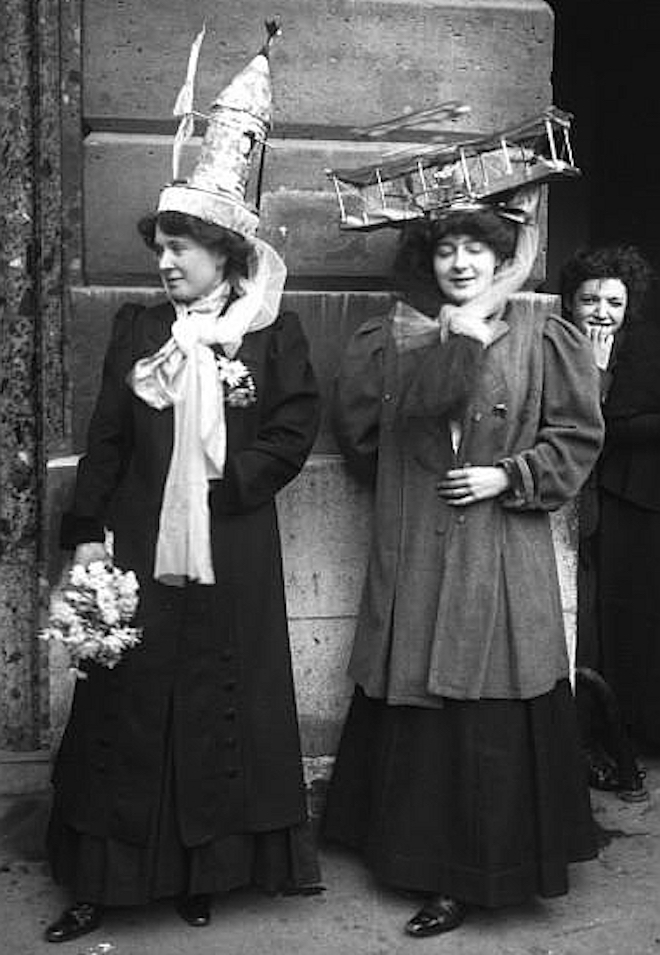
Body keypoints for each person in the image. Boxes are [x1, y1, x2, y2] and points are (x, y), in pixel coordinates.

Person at [44, 25, 321, 944]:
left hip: (230, 542)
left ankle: (208, 868)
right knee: (126, 700)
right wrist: (88, 536)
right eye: (161, 246)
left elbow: (292, 430)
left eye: (182, 249)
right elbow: (109, 438)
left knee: (217, 701)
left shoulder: (270, 335)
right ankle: (105, 879)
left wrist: (221, 483)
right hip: (137, 542)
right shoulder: (136, 330)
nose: (166, 262)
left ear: (227, 256)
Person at [322, 189, 604, 936]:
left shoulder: (543, 331)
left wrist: (507, 475)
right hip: (417, 547)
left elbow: (577, 436)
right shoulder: (391, 336)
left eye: (476, 247)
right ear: (427, 258)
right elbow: (358, 438)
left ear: (502, 256)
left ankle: (481, 873)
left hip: (500, 553)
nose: (460, 262)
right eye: (446, 249)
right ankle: (420, 863)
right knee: (417, 700)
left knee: (488, 709)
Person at [560, 245, 657, 793]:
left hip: (630, 503)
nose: (601, 311)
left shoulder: (646, 353)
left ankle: (628, 735)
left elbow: (602, 426)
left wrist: (614, 417)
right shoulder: (553, 344)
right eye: (590, 299)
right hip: (569, 498)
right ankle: (588, 737)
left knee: (629, 621)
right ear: (570, 303)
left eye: (613, 301)